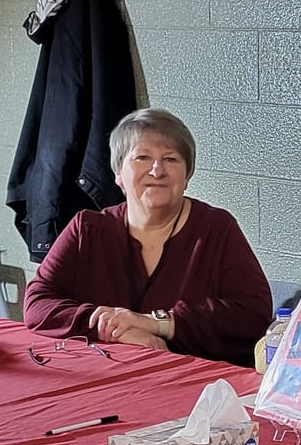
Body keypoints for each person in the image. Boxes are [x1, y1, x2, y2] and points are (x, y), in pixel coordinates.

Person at [23, 108, 271, 366]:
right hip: (102, 376)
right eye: (142, 157)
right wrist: (117, 329)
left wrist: (157, 324)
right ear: (118, 174)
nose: (157, 170)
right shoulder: (87, 228)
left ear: (187, 175)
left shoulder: (217, 228)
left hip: (199, 386)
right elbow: (38, 304)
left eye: (171, 159)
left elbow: (253, 316)